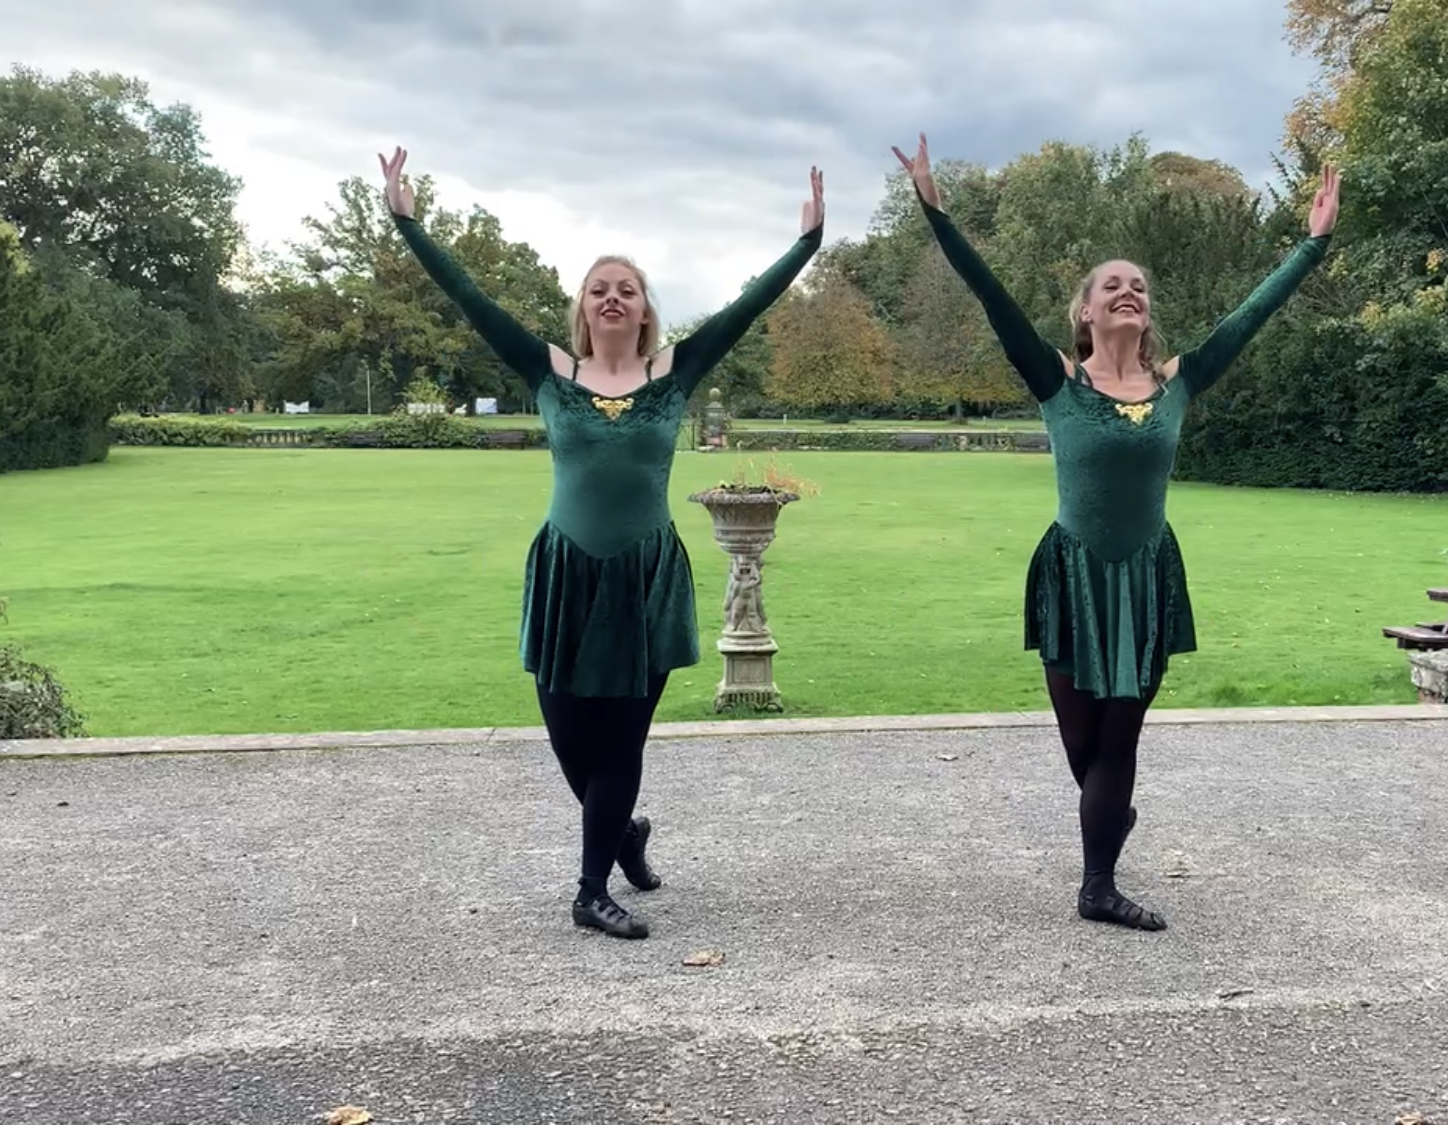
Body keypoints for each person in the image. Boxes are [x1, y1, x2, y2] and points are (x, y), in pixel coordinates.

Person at [892, 133, 1339, 932]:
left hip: (1145, 578)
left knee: (1120, 739)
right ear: (1087, 312)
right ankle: (1110, 822)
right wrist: (937, 214)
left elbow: (1251, 317)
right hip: (1071, 576)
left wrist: (1312, 245)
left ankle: (1097, 883)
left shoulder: (1178, 380)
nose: (1129, 292)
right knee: (1084, 746)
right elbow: (991, 296)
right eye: (1113, 286)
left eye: (1138, 285)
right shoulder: (1056, 379)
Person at [378, 146, 825, 939]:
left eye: (627, 289)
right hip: (565, 577)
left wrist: (805, 245)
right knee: (568, 741)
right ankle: (622, 834)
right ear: (581, 309)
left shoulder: (673, 374)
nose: (613, 298)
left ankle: (591, 889)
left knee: (621, 739)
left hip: (643, 579)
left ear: (646, 309)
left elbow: (745, 309)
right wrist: (410, 223)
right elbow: (472, 300)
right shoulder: (551, 370)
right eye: (598, 289)